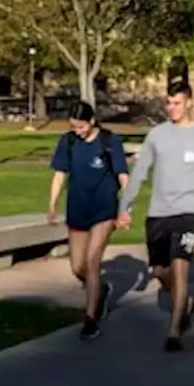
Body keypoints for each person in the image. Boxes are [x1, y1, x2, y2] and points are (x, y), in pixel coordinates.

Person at [117, 82, 194, 353]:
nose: (171, 108)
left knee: (180, 264)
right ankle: (183, 298)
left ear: (189, 102)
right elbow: (141, 173)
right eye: (168, 103)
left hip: (190, 212)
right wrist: (125, 207)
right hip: (159, 212)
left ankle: (175, 330)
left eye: (176, 103)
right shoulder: (157, 135)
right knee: (159, 270)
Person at [47, 100, 130, 341]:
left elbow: (123, 176)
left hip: (104, 210)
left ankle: (91, 318)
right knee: (78, 267)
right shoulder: (68, 142)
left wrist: (126, 208)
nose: (78, 131)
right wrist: (52, 203)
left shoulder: (110, 142)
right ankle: (101, 289)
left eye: (81, 126)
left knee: (93, 262)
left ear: (92, 120)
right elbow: (59, 174)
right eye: (74, 127)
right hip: (78, 210)